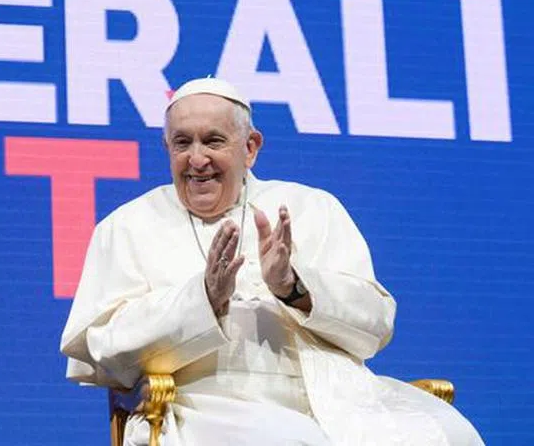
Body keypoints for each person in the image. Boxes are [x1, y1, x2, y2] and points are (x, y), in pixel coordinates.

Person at [60, 77, 484, 446]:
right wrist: (204, 298)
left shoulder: (312, 207)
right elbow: (105, 349)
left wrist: (294, 288)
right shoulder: (126, 226)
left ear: (250, 148)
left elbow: (375, 326)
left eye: (213, 141)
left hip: (337, 394)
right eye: (182, 142)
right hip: (206, 405)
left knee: (451, 434)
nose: (197, 159)